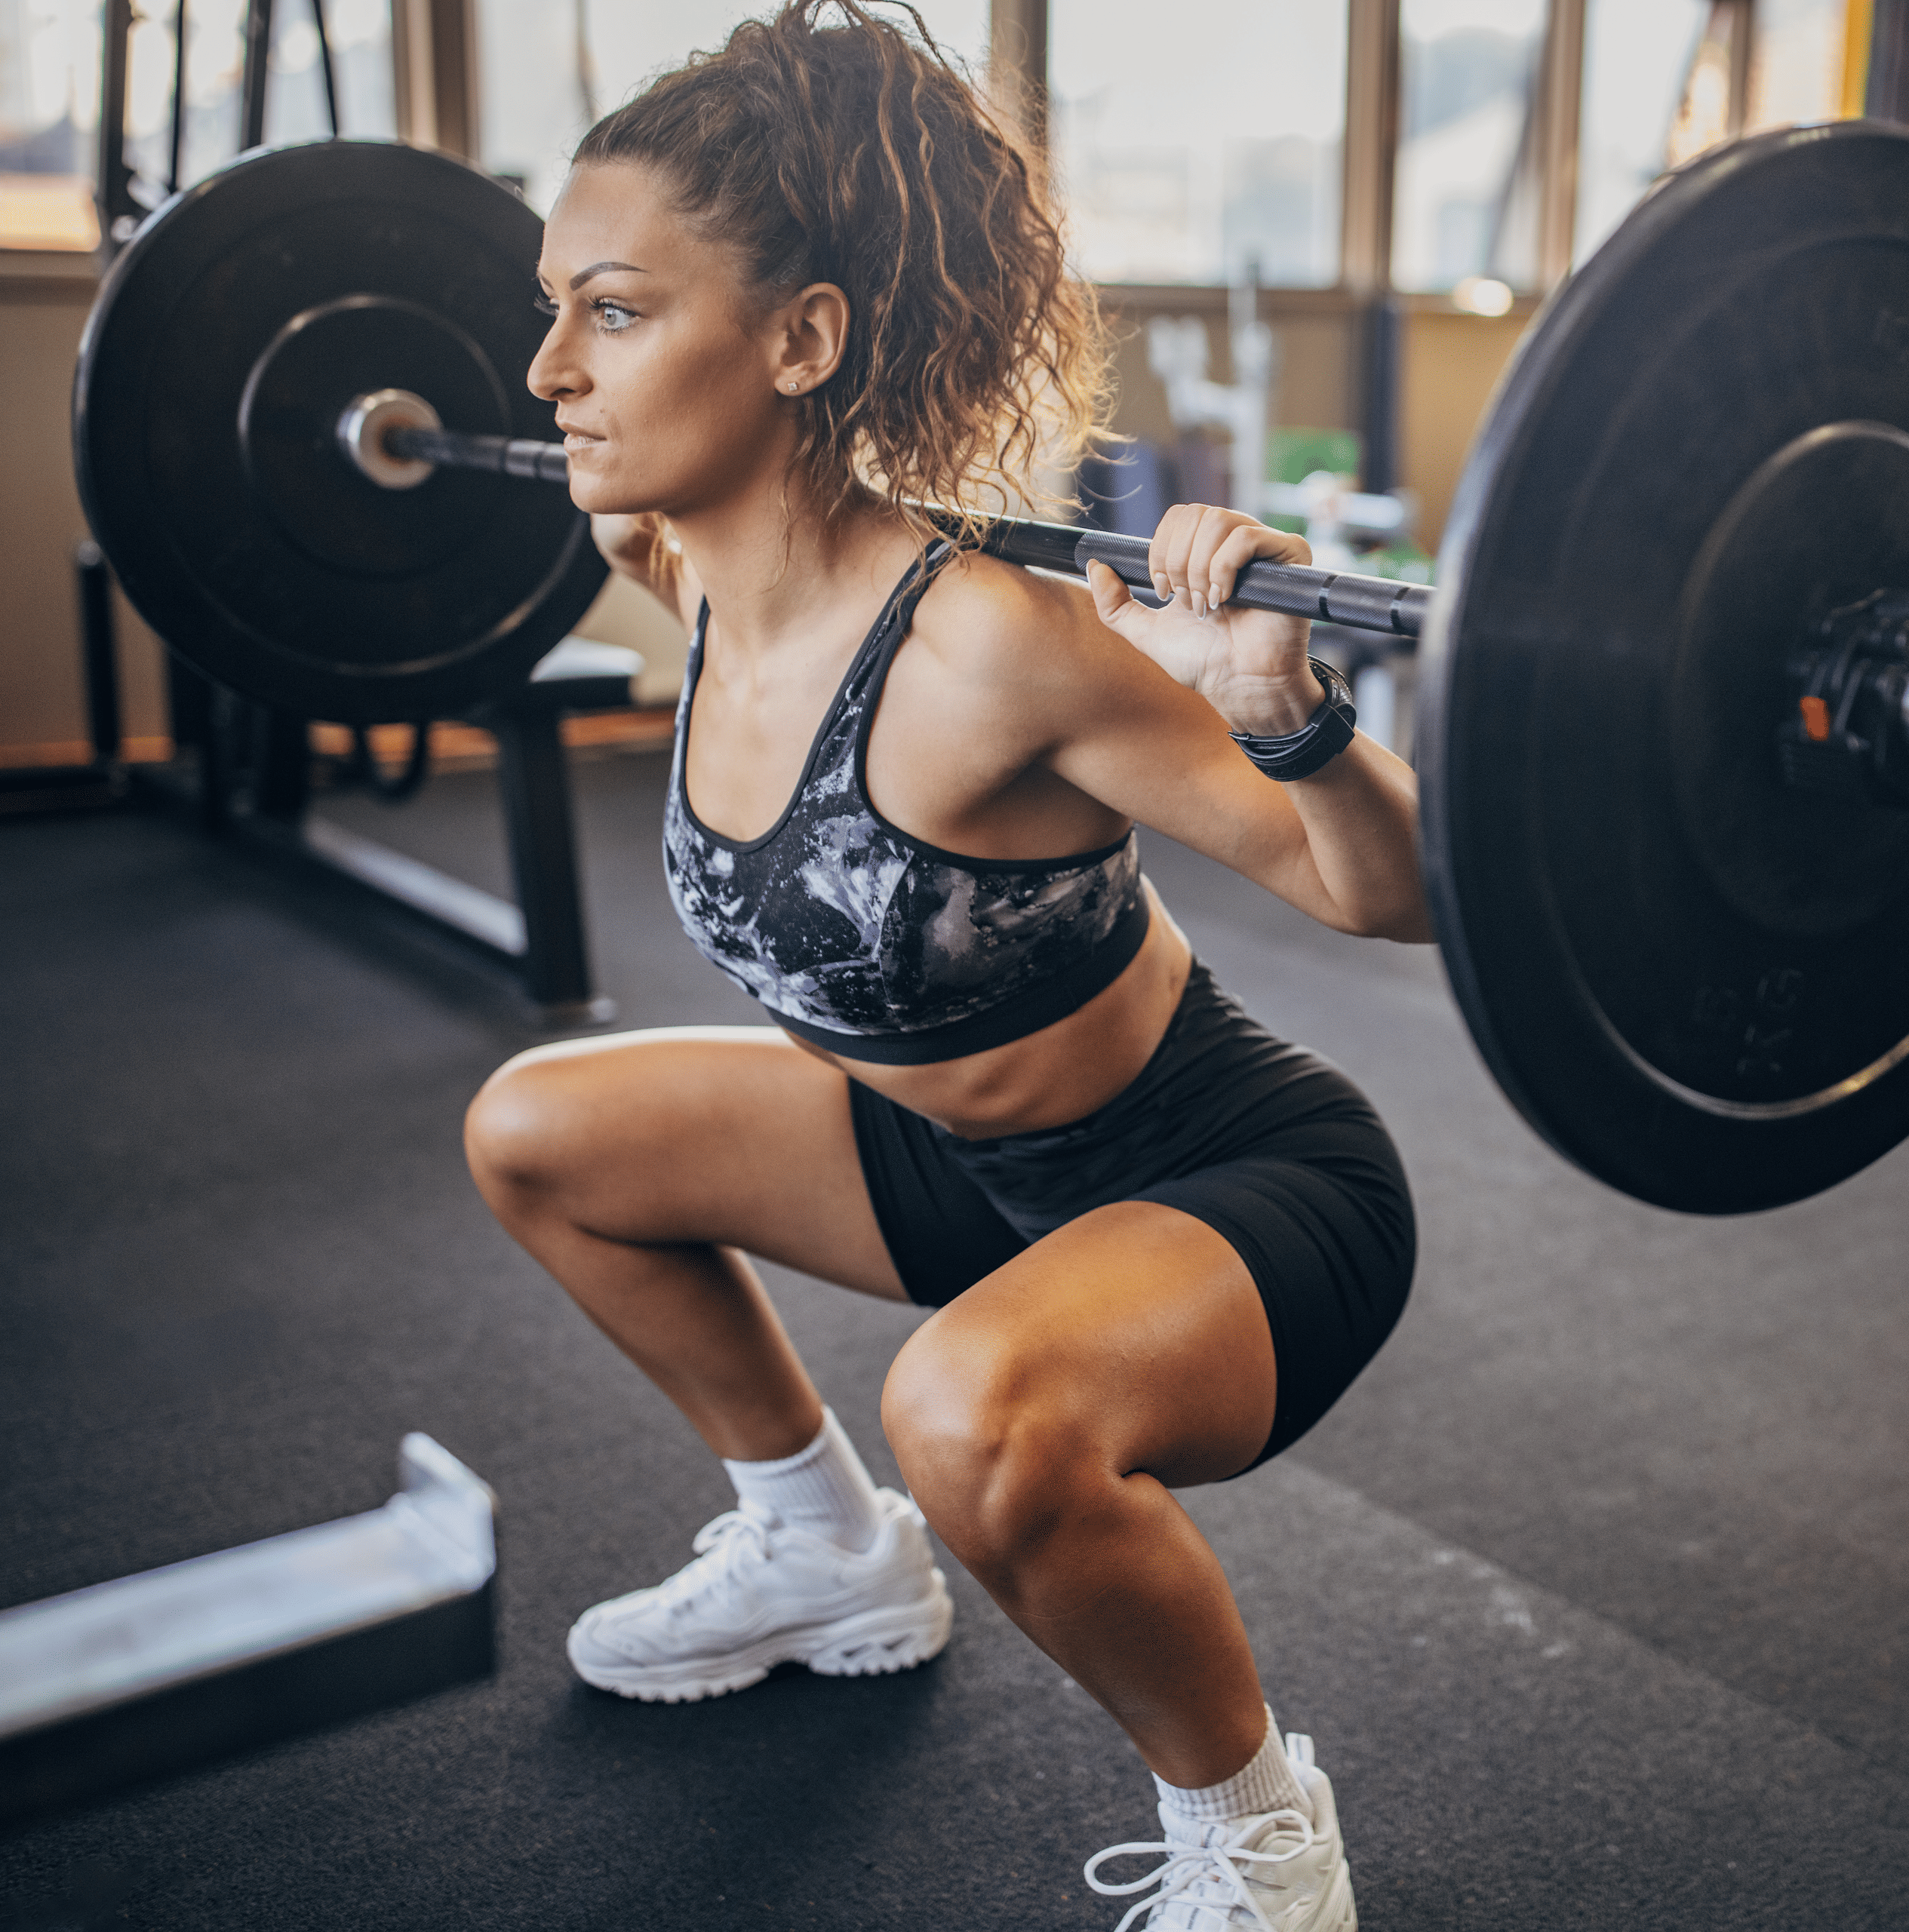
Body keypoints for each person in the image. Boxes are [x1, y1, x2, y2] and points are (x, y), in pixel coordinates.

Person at [456, 5, 1424, 1927]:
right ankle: (821, 1548)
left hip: (1222, 1182)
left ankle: (1262, 1827)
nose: (552, 366)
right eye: (552, 305)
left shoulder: (992, 648)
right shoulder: (686, 569)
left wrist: (1285, 712)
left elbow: (1386, 894)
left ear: (803, 340)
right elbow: (473, 474)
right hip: (946, 1166)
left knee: (974, 1411)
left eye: (617, 313)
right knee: (538, 1130)